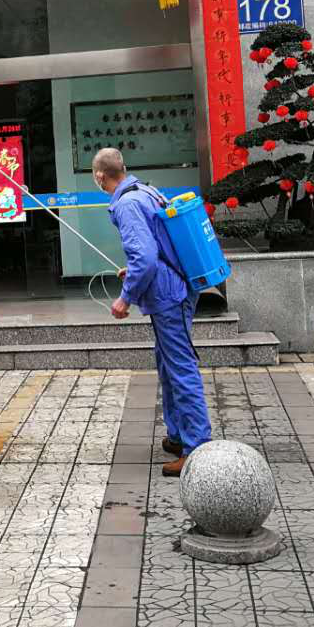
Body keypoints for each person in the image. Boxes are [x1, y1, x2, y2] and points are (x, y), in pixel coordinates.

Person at [92, 147, 212, 477]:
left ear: (100, 176)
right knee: (168, 364)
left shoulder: (127, 203)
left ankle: (197, 447)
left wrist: (125, 298)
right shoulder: (145, 190)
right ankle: (179, 436)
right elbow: (153, 250)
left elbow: (145, 258)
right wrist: (132, 272)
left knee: (180, 368)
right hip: (175, 287)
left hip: (168, 295)